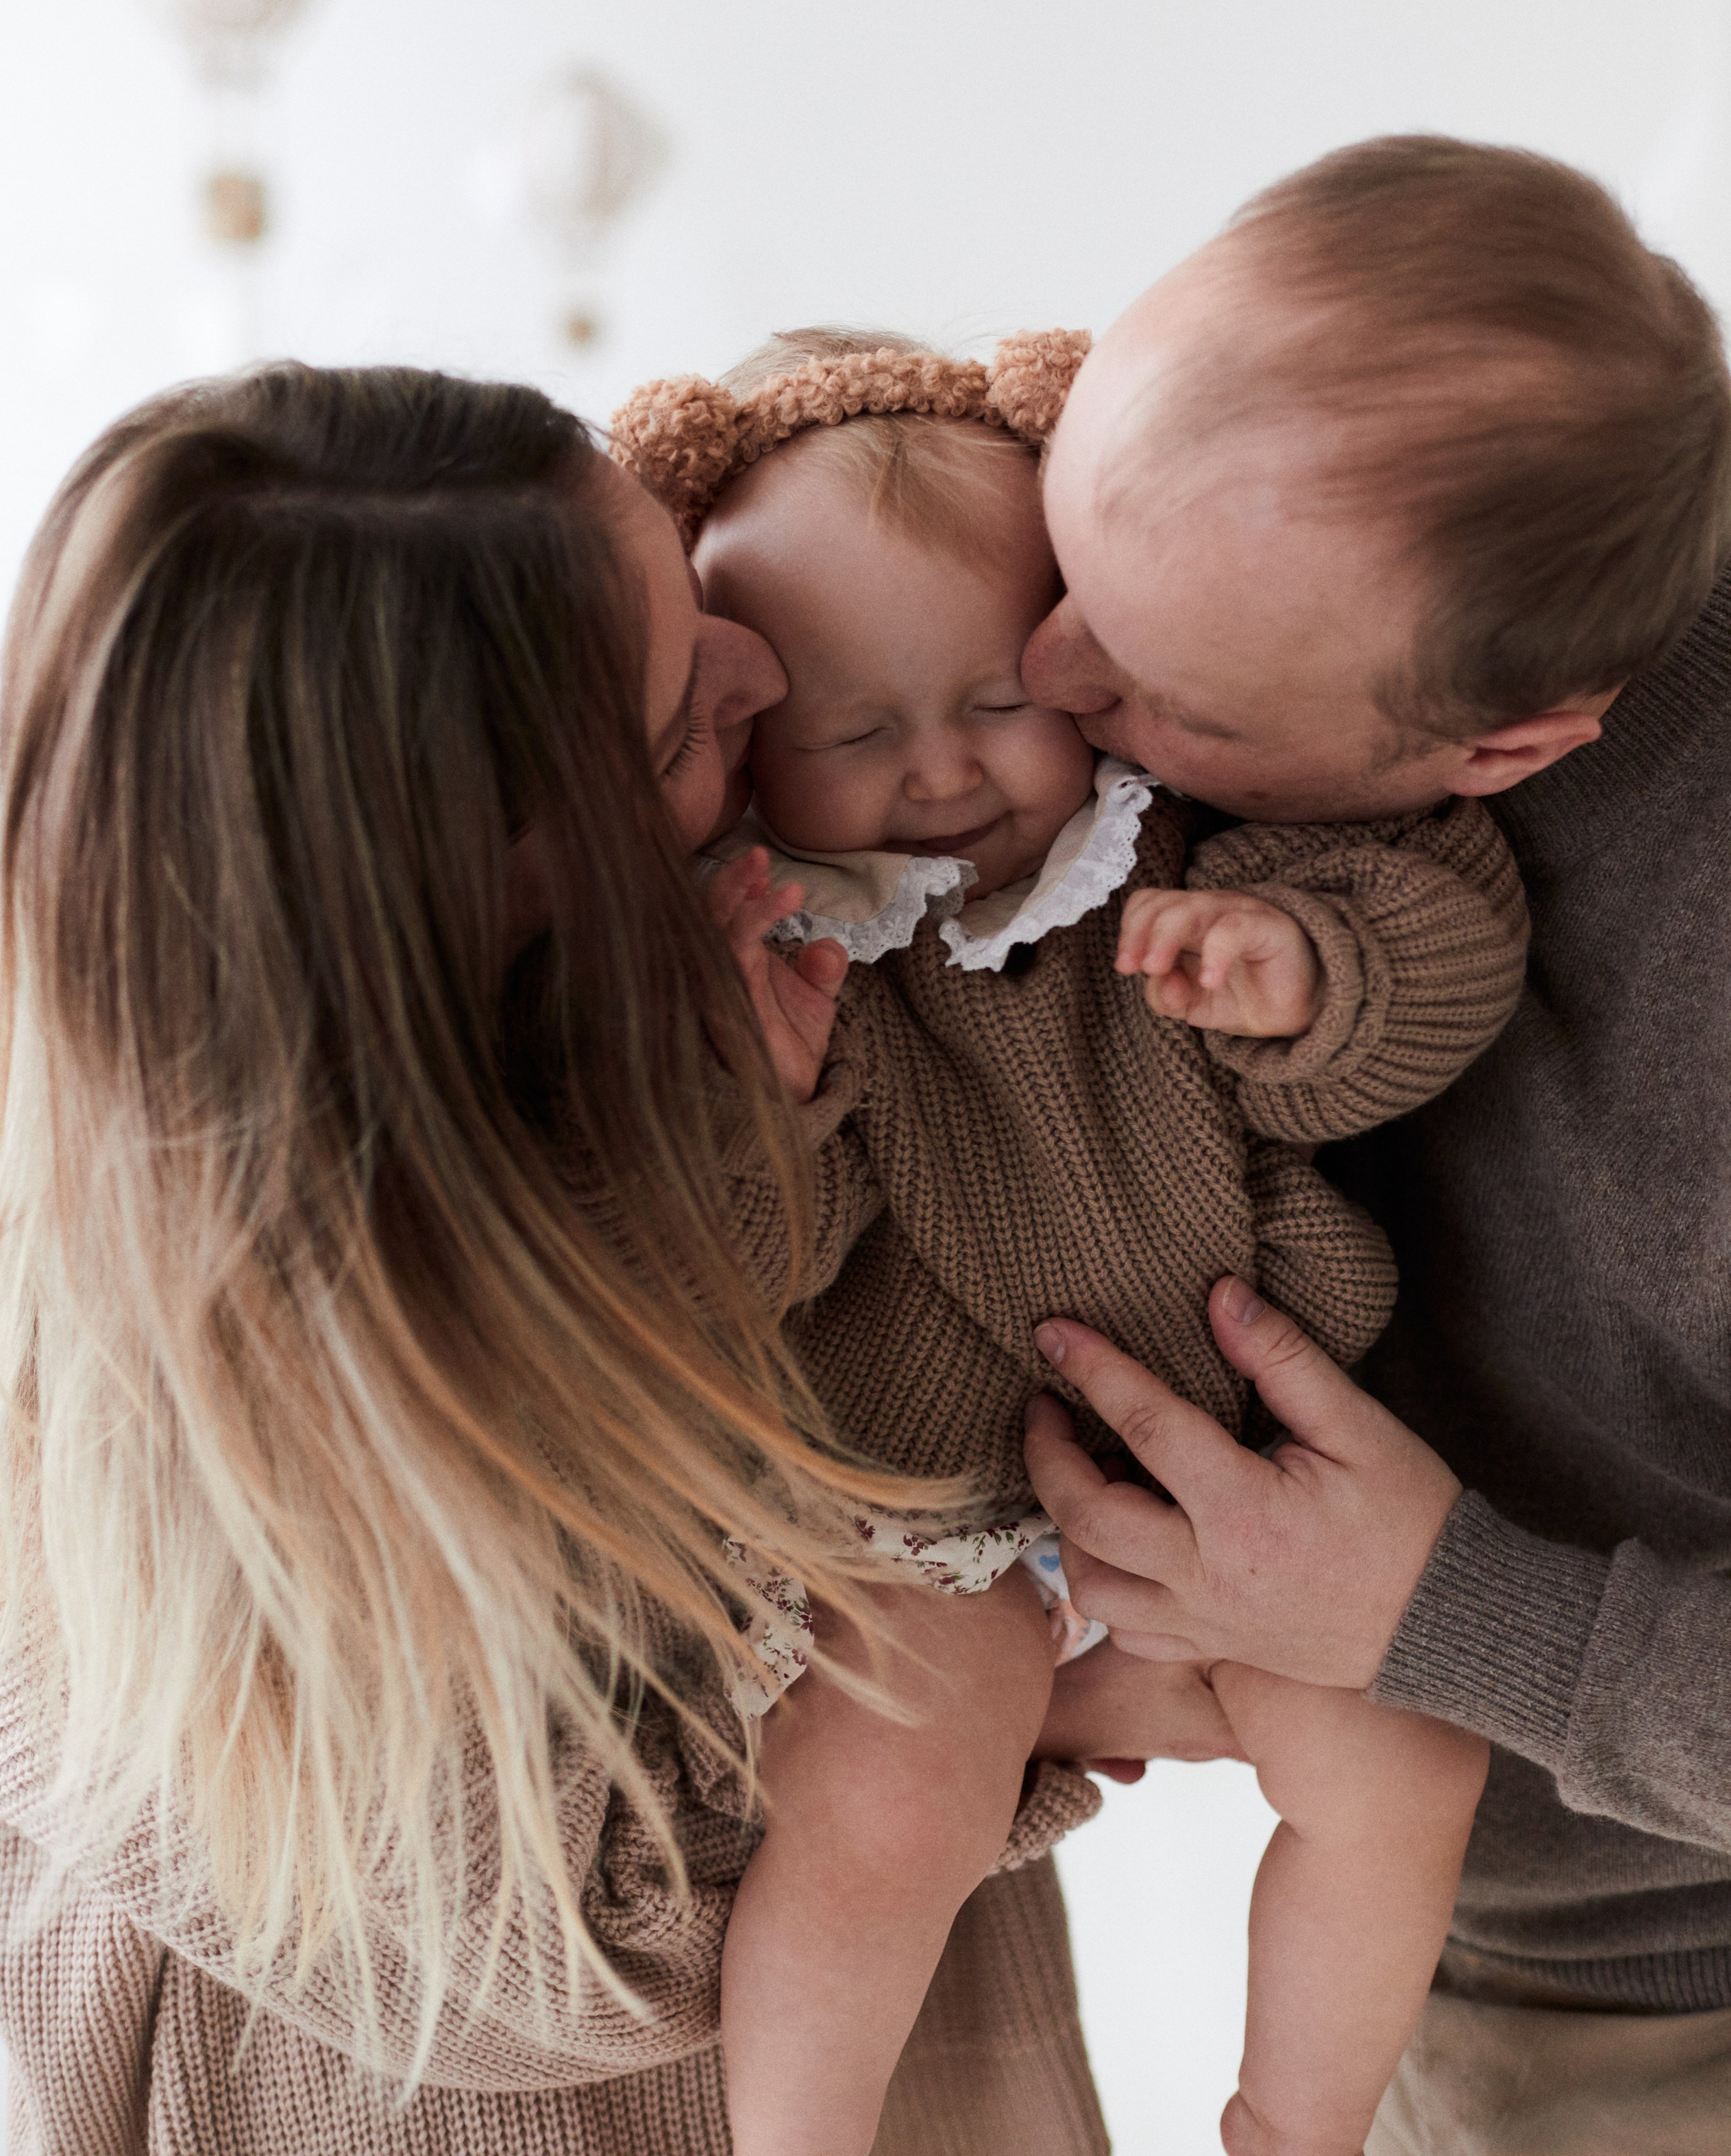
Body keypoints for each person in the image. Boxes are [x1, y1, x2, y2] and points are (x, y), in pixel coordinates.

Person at [0, 360, 1108, 2156]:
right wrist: (1065, 1681)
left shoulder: (725, 975)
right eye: (672, 723)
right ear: (484, 878)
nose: (754, 667)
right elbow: (549, 1946)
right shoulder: (229, 1353)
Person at [611, 326, 1529, 2156]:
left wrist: (1312, 976)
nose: (942, 775)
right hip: (926, 1505)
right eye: (854, 733)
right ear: (746, 737)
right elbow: (723, 1277)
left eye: (995, 703)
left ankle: (1296, 2124)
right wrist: (760, 1112)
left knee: (1413, 1760)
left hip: (1246, 1483)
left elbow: (1448, 935)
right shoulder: (767, 946)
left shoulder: (1179, 854)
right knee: (887, 1819)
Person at [1017, 134, 1731, 2152]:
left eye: (1159, 692)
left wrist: (1445, 1614)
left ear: (1506, 753)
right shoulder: (1400, 466)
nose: (1052, 675)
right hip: (1430, 1882)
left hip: (1652, 2003)